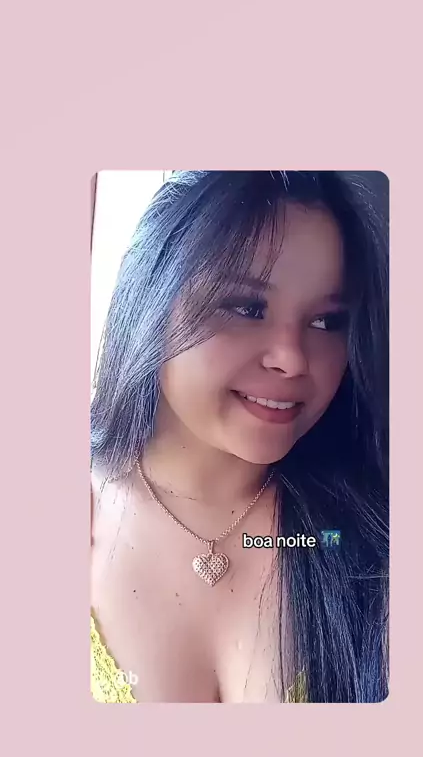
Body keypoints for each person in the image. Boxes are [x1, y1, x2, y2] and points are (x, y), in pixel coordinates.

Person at [90, 170, 389, 703]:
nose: (292, 358)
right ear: (151, 301)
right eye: (248, 308)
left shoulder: (361, 536)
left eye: (326, 322)